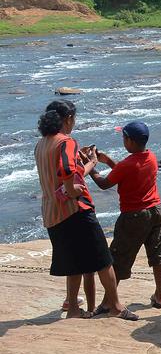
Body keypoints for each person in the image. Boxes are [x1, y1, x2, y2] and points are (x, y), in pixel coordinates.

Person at [33, 100, 136, 321]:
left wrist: (85, 164)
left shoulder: (41, 144)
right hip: (75, 210)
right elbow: (68, 170)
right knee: (103, 259)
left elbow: (59, 171)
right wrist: (79, 180)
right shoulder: (66, 142)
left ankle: (72, 310)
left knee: (74, 262)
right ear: (68, 119)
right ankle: (116, 306)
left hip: (52, 212)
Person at [86, 121, 161, 308]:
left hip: (134, 215)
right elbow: (128, 172)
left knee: (119, 258)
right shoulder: (151, 157)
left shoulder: (127, 164)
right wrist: (108, 161)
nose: (123, 140)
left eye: (123, 137)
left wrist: (91, 166)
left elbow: (104, 183)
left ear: (129, 141)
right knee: (158, 254)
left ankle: (108, 302)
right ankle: (160, 294)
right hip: (155, 210)